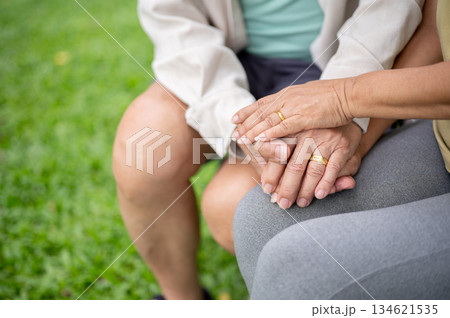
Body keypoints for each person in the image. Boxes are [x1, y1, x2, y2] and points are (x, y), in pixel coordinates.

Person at [113, 0, 424, 299]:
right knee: (142, 155)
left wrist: (341, 103)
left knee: (234, 205)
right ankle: (182, 303)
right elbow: (175, 23)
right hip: (220, 58)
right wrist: (244, 124)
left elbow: (389, 11)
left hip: (341, 62)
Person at [232, 0, 450, 299]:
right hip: (442, 139)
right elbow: (435, 31)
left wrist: (344, 96)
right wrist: (356, 135)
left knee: (301, 266)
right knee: (260, 216)